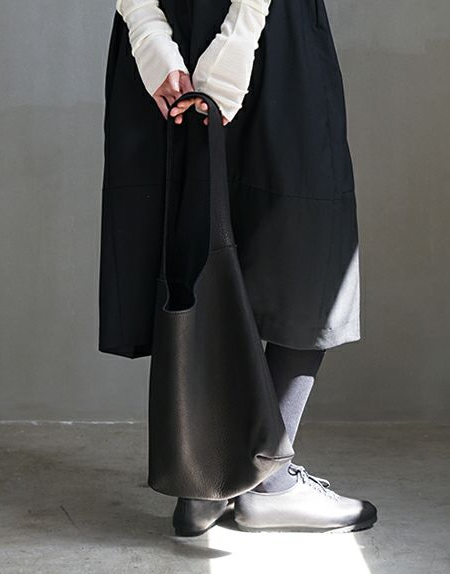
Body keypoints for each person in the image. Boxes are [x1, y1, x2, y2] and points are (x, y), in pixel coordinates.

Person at [99, 0, 378, 535]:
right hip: (262, 29)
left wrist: (149, 28)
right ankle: (255, 483)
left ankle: (207, 482)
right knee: (302, 249)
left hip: (181, 33)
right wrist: (217, 34)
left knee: (198, 234)